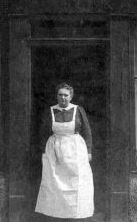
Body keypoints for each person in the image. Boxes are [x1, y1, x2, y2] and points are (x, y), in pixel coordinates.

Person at [35, 83, 94, 220]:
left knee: (77, 180)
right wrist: (44, 151)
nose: (63, 98)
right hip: (55, 149)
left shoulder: (78, 110)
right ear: (57, 96)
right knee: (54, 180)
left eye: (66, 95)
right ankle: (56, 214)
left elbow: (87, 131)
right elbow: (43, 132)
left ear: (71, 96)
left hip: (75, 148)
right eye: (60, 95)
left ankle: (77, 213)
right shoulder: (50, 111)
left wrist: (89, 151)